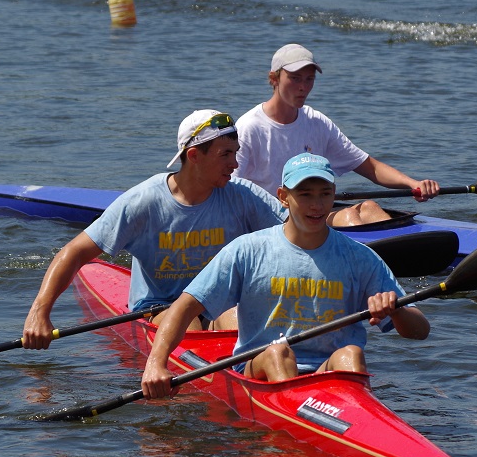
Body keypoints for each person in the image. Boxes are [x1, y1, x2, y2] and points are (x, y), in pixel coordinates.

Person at [141, 153, 430, 398]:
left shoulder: (360, 258)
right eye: (305, 195)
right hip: (259, 369)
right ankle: (294, 430)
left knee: (351, 354)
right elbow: (184, 307)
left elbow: (420, 331)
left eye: (324, 194)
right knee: (279, 353)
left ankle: (354, 424)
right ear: (283, 196)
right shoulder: (248, 250)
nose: (316, 205)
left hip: (327, 371)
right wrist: (156, 364)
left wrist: (397, 309)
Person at [22, 110, 284, 348]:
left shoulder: (242, 195)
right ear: (193, 156)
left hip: (219, 303)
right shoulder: (143, 202)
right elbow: (74, 253)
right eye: (225, 155)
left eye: (235, 153)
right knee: (187, 327)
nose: (235, 164)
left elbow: (298, 224)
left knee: (245, 320)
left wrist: (325, 218)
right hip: (161, 307)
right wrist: (39, 313)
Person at [232, 43, 440, 227]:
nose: (303, 87)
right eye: (295, 79)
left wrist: (413, 184)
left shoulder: (317, 122)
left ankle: (398, 253)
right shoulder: (250, 127)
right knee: (347, 214)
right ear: (274, 79)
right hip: (270, 221)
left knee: (369, 207)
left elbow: (370, 167)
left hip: (311, 213)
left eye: (309, 79)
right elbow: (231, 189)